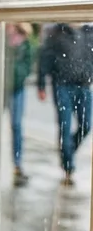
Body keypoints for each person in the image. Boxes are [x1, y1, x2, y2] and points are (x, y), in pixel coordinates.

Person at [37, 22, 93, 186]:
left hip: (84, 86)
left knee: (87, 125)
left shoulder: (89, 33)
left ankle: (67, 151)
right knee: (65, 125)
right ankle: (68, 166)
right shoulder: (56, 33)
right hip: (62, 86)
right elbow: (45, 58)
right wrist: (41, 84)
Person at [5, 23, 33, 188]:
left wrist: (17, 76)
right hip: (1, 87)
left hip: (17, 89)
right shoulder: (2, 37)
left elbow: (27, 65)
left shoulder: (24, 42)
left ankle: (17, 163)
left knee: (16, 125)